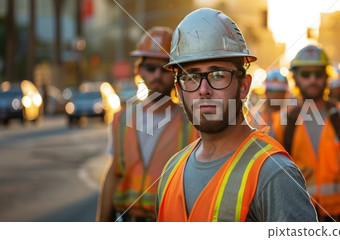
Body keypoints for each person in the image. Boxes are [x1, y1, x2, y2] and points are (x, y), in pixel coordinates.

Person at [156, 8, 317, 222]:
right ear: (178, 90)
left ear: (244, 86)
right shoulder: (170, 172)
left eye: (218, 75)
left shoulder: (273, 174)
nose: (203, 89)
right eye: (191, 77)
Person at [96, 26, 196, 222]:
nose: (157, 76)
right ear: (139, 71)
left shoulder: (192, 124)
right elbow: (114, 172)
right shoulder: (121, 120)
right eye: (151, 68)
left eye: (165, 68)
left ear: (176, 72)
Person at [284, 44, 340, 222]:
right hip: (300, 216)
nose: (313, 80)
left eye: (318, 74)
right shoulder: (284, 121)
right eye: (306, 74)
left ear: (326, 76)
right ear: (296, 78)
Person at [250, 68, 289, 141]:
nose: (276, 94)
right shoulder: (253, 117)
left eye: (279, 91)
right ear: (265, 92)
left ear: (285, 93)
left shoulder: (289, 118)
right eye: (272, 90)